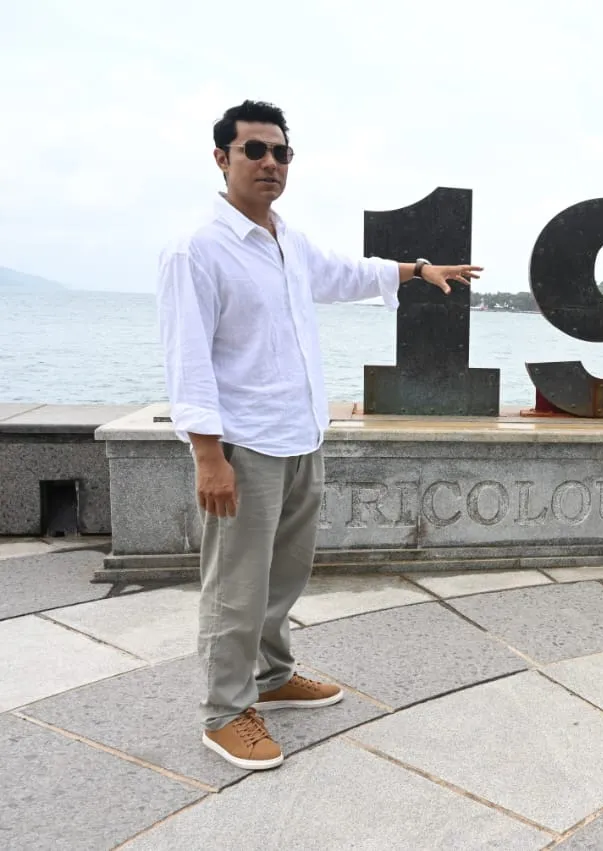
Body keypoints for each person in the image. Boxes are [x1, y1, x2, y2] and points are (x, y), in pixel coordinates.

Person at [155, 100, 481, 771]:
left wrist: (417, 271)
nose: (270, 163)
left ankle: (271, 674)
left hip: (300, 437)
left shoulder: (287, 240)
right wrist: (207, 454)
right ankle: (224, 711)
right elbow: (185, 359)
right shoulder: (197, 250)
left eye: (281, 152)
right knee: (236, 585)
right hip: (243, 447)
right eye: (255, 151)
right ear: (222, 158)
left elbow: (345, 273)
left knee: (285, 573)